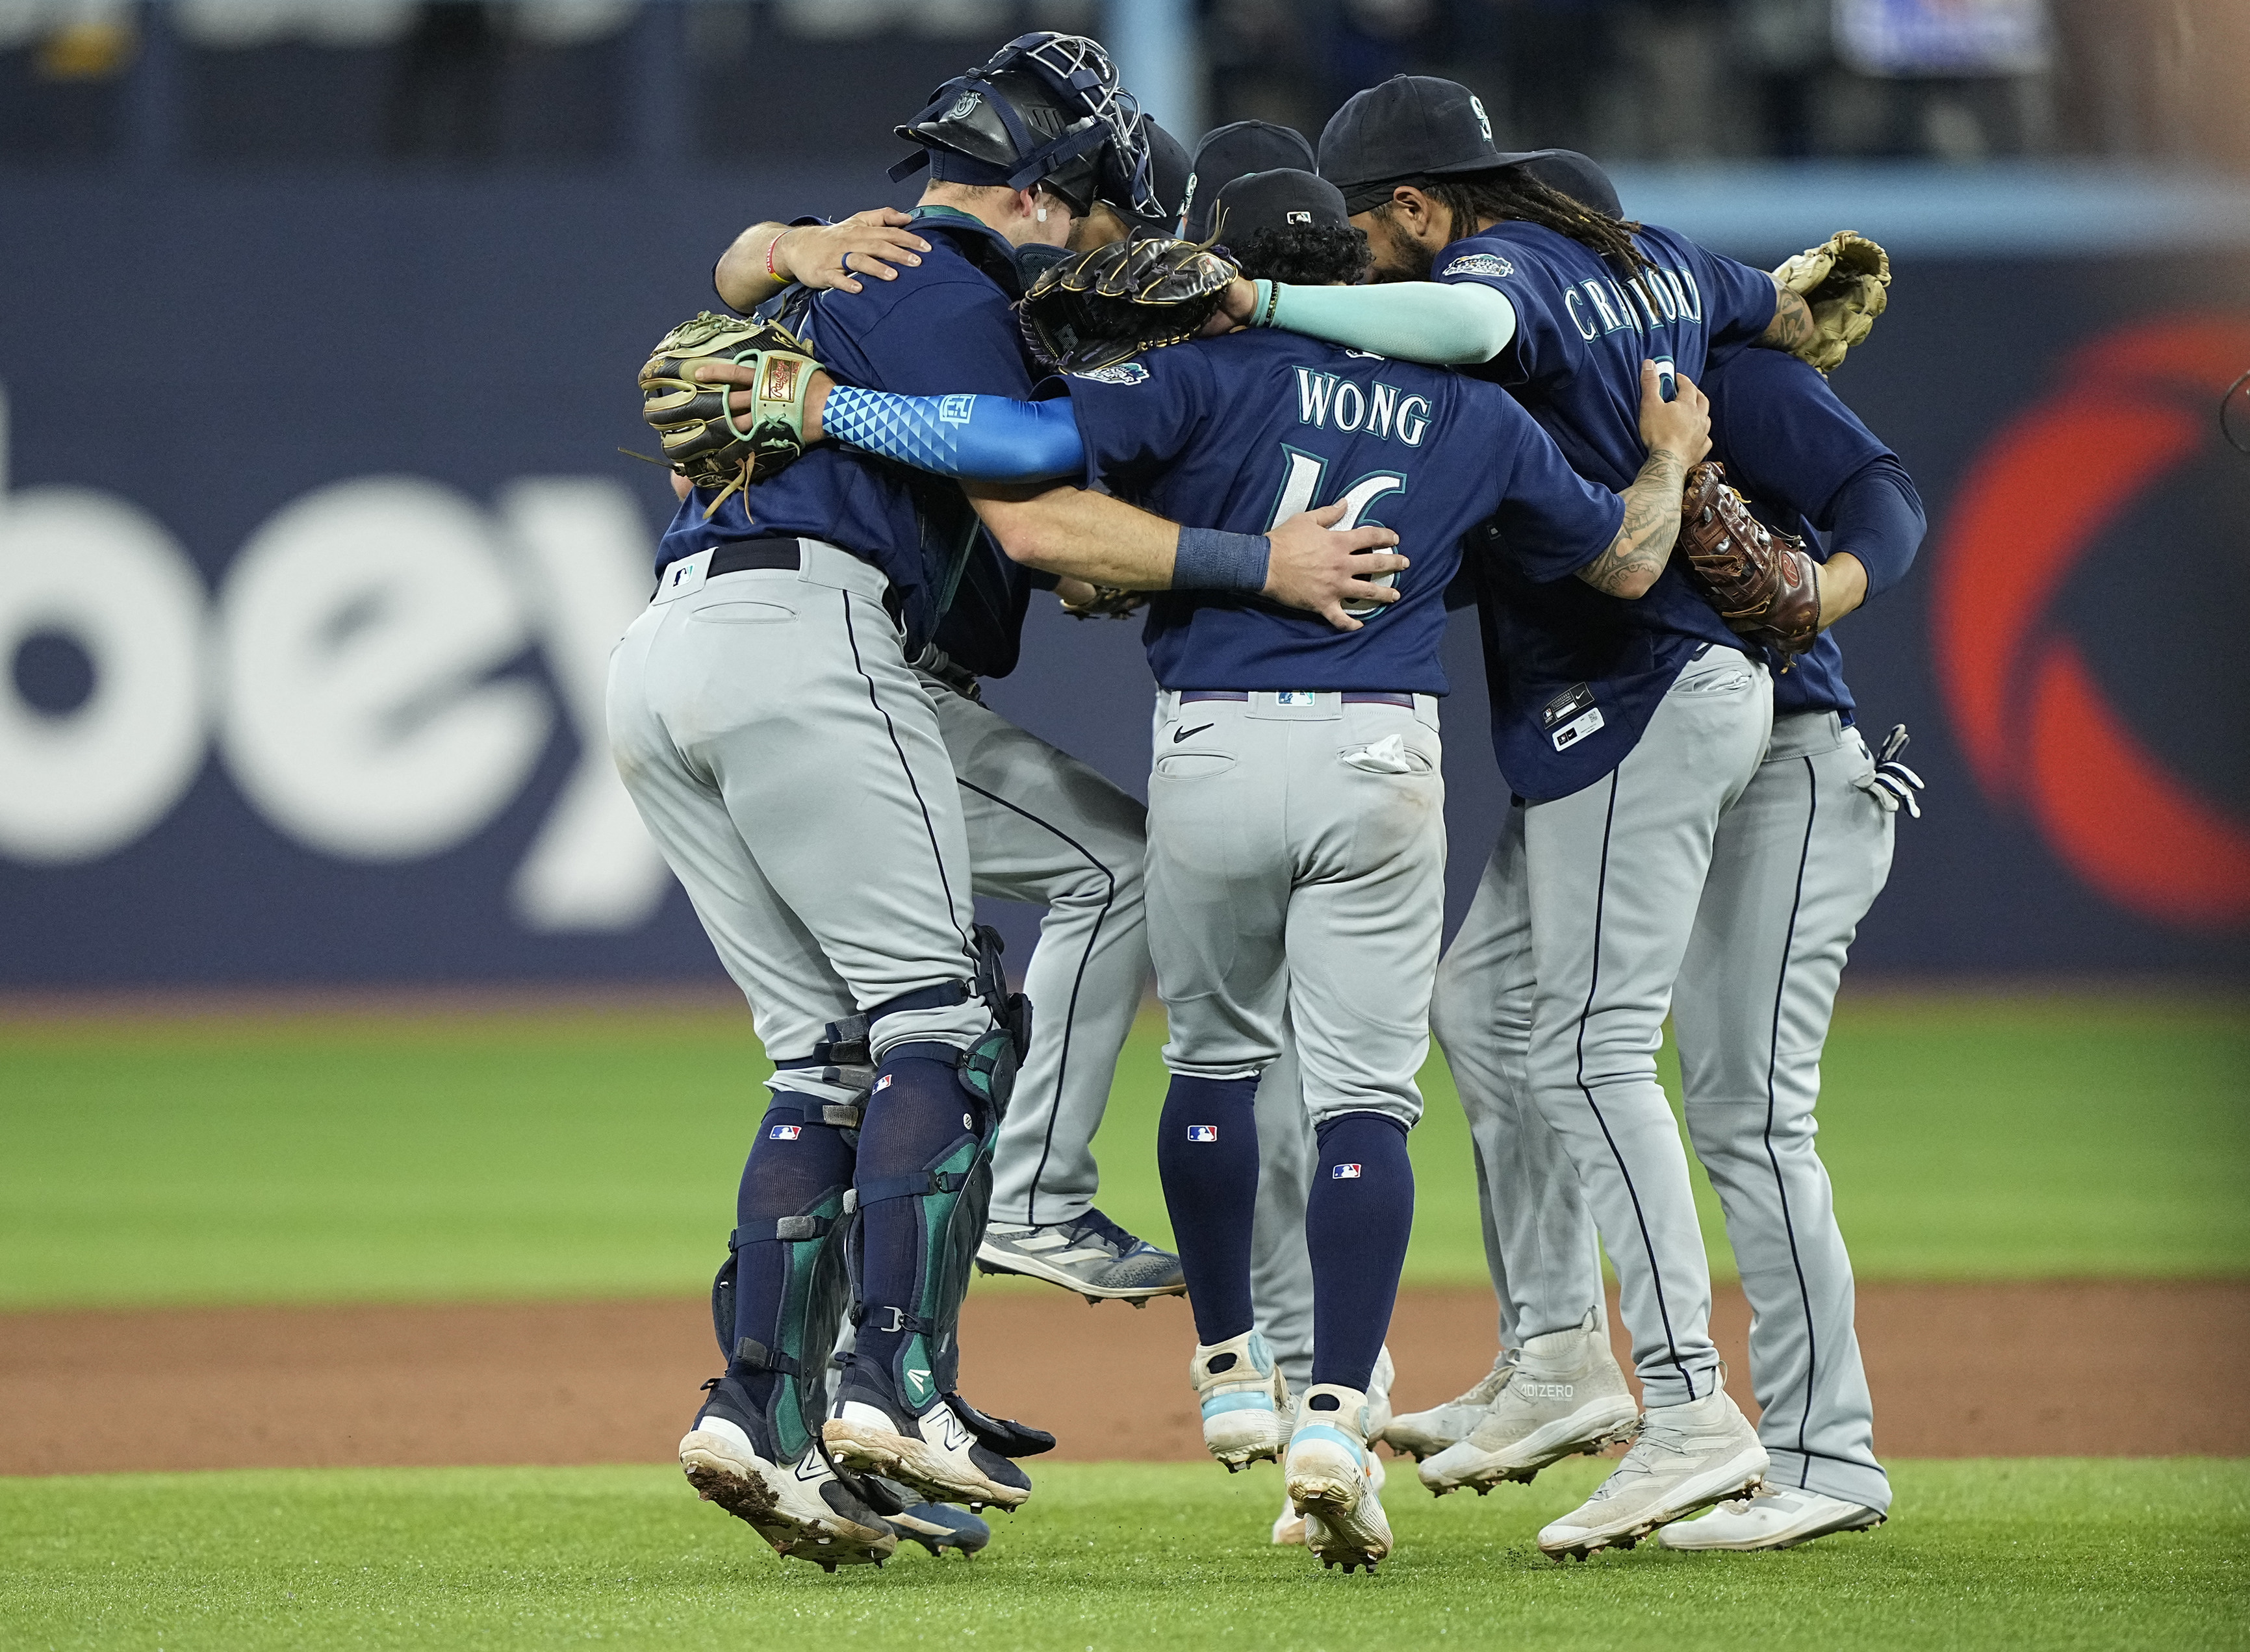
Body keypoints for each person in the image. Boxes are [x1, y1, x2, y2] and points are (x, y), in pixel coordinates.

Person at [741, 170, 1715, 1568]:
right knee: (1367, 1101)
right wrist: (1670, 457)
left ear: (1221, 271)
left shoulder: (1191, 382)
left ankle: (1231, 1369)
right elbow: (1625, 564)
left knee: (1211, 1066)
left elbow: (1041, 502)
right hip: (1383, 760)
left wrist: (830, 407)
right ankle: (1335, 1417)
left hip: (1213, 750)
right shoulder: (1476, 412)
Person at [614, 32, 1403, 1573]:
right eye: (1113, 216)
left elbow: (748, 278)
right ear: (1053, 192)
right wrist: (1252, 560)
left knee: (835, 1056)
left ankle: (756, 1414)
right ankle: (913, 1360)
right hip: (817, 644)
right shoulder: (943, 281)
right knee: (949, 1017)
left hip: (677, 655)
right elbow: (1034, 492)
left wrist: (765, 247)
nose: (1120, 253)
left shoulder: (835, 267)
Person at [1208, 74, 1835, 1557]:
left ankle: (1689, 1410)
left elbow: (1471, 327)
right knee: (1483, 1005)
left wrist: (1263, 303)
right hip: (1645, 684)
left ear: (1420, 207)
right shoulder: (1653, 250)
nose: (1361, 264)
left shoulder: (1494, 271)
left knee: (1594, 1045)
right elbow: (1779, 306)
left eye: (1365, 236)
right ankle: (1559, 1352)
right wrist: (1797, 310)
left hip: (1645, 681)